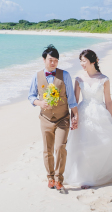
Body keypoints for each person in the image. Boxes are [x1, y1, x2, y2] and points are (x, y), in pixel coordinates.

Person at [63, 49, 112, 188]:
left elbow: (108, 101)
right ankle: (84, 177)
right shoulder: (79, 79)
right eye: (80, 61)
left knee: (101, 143)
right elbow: (74, 100)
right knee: (83, 145)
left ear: (92, 61)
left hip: (100, 112)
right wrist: (74, 117)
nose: (81, 64)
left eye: (84, 61)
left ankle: (97, 174)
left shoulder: (104, 79)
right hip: (83, 112)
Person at [28, 44, 78, 191]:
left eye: (56, 60)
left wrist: (75, 116)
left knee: (60, 148)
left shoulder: (66, 75)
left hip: (63, 118)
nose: (53, 62)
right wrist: (40, 103)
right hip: (45, 118)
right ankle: (50, 177)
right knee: (47, 150)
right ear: (44, 60)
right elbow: (31, 96)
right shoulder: (36, 76)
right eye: (50, 59)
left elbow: (72, 99)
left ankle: (59, 179)